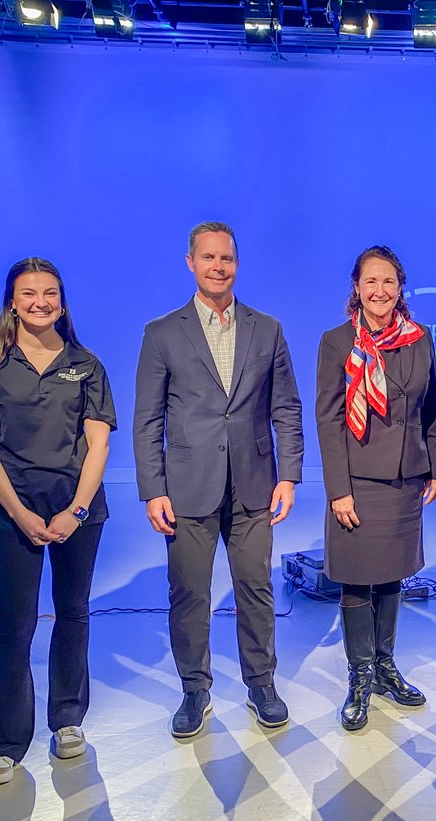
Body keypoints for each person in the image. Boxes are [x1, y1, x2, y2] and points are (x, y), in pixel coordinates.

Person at [134, 221, 304, 737]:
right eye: (208, 258)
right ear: (191, 262)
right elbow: (148, 419)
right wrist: (153, 488)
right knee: (189, 593)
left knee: (256, 588)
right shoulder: (162, 332)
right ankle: (194, 689)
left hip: (255, 483)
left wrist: (289, 475)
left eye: (226, 258)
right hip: (188, 487)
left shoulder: (267, 329)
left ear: (237, 263)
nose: (218, 267)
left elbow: (287, 408)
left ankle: (261, 684)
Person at [0, 257, 116, 786]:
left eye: (50, 292)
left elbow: (98, 444)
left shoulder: (86, 364)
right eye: (29, 293)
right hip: (13, 510)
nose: (40, 302)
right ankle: (2, 743)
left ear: (63, 301)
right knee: (16, 623)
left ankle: (68, 719)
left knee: (73, 613)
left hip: (78, 511)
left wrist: (75, 512)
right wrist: (20, 513)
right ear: (12, 302)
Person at [315, 246, 436, 731]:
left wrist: (434, 468)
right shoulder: (335, 342)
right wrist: (337, 489)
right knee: (355, 579)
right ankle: (359, 676)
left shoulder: (419, 340)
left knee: (391, 576)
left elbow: (431, 407)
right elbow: (328, 420)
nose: (380, 291)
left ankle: (386, 667)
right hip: (357, 481)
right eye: (371, 281)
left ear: (400, 288)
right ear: (356, 287)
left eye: (389, 282)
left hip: (404, 479)